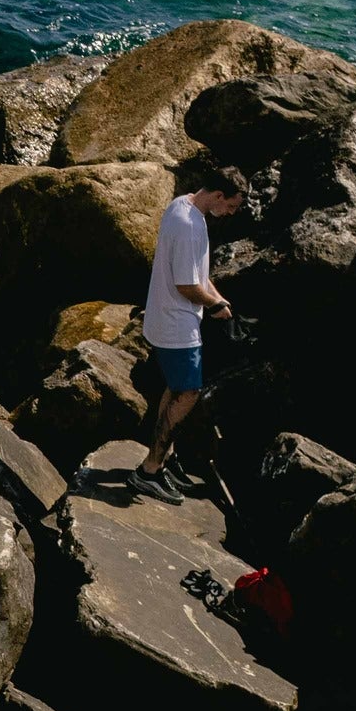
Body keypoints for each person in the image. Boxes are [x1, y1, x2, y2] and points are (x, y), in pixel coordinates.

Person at [133, 166, 245, 507]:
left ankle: (164, 459)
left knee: (176, 389)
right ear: (218, 196)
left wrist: (219, 297)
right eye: (231, 206)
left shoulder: (182, 205)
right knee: (188, 393)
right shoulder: (188, 225)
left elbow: (198, 273)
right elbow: (186, 284)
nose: (230, 213)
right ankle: (148, 471)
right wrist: (213, 305)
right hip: (176, 326)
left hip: (167, 320)